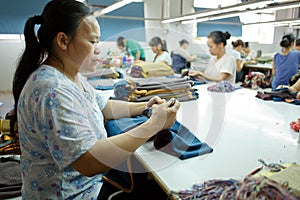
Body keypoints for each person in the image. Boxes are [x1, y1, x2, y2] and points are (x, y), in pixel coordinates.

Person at [11, 0, 180, 199]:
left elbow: (103, 106)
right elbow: (89, 162)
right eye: (92, 42)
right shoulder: (53, 90)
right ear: (63, 41)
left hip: (86, 185)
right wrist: (154, 124)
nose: (98, 49)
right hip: (71, 194)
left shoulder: (70, 76)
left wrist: (144, 106)